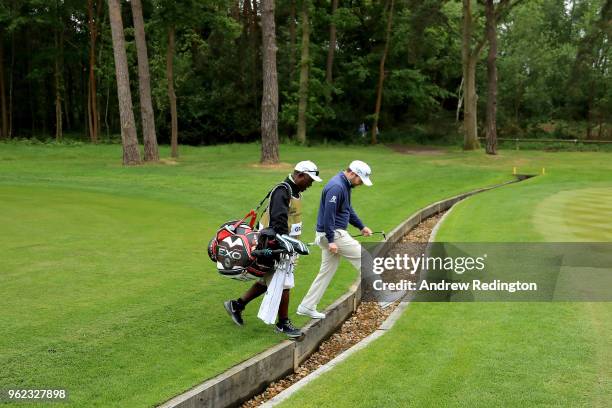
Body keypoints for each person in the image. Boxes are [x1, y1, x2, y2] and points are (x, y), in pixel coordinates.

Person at [224, 160, 322, 338]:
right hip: (275, 244)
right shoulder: (282, 191)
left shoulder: (294, 191)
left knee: (268, 280)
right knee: (284, 283)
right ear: (300, 175)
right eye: (310, 179)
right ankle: (283, 323)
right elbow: (278, 222)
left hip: (284, 244)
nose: (311, 183)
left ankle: (236, 305)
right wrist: (286, 245)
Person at [297, 160, 373, 319]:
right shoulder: (337, 187)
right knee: (365, 258)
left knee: (326, 272)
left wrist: (361, 226)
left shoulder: (345, 185)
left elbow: (347, 210)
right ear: (352, 173)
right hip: (333, 234)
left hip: (331, 234)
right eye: (360, 180)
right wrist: (331, 240)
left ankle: (306, 306)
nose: (360, 184)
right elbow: (328, 216)